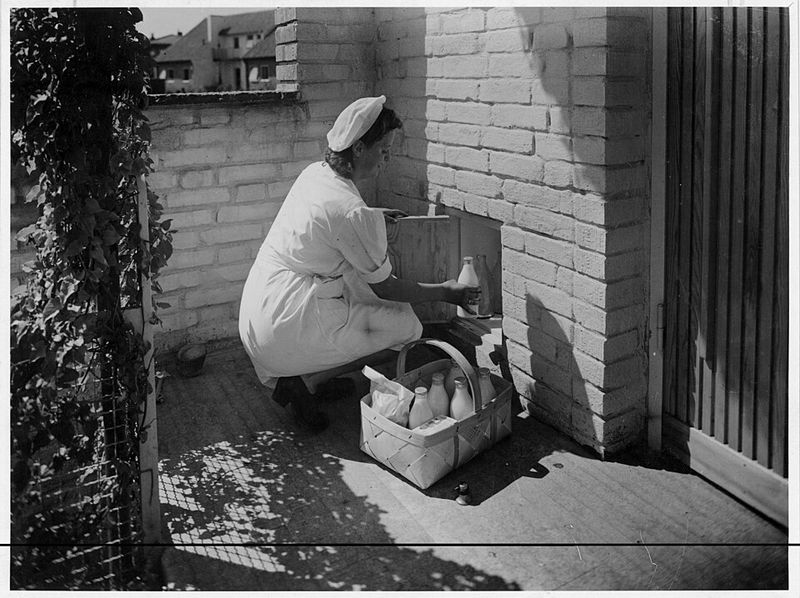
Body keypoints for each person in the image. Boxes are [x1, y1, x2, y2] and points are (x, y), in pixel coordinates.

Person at [238, 95, 480, 432]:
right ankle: (307, 380)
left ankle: (311, 374)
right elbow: (389, 287)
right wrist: (447, 292)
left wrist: (372, 218)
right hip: (286, 321)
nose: (387, 158)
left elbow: (328, 223)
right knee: (408, 328)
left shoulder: (316, 174)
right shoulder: (350, 211)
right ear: (359, 149)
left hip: (260, 306)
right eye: (383, 150)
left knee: (355, 289)